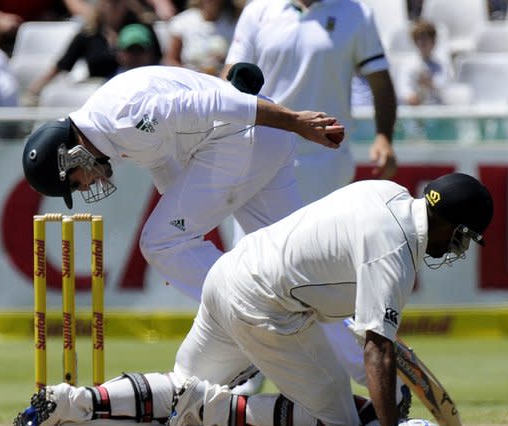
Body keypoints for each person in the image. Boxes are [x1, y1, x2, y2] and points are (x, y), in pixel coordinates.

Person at [13, 172, 493, 426]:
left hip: (230, 274)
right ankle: (212, 407)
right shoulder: (396, 252)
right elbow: (377, 350)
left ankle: (68, 402)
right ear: (450, 223)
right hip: (269, 307)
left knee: (176, 388)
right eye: (462, 237)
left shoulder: (386, 192)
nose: (457, 247)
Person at [21, 64, 344, 302]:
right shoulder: (108, 130)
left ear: (71, 157)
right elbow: (165, 169)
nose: (86, 188)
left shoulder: (122, 119)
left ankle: (251, 307)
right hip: (259, 139)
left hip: (245, 136)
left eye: (75, 184)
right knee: (295, 268)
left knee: (159, 242)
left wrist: (296, 121)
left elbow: (212, 104)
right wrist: (183, 244)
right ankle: (369, 356)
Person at [221, 0, 398, 205]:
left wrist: (384, 137)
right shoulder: (257, 10)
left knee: (325, 237)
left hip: (326, 159)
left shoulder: (356, 13)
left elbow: (380, 81)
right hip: (259, 153)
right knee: (255, 238)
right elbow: (230, 76)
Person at [25, 0, 152, 103]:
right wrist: (35, 89)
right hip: (98, 94)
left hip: (136, 89)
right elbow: (63, 64)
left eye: (117, 1)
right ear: (100, 4)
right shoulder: (88, 34)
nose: (113, 6)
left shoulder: (141, 30)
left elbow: (157, 60)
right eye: (109, 1)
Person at [0, 0, 94, 56]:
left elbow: (75, 4)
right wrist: (0, 19)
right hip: (4, 37)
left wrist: (96, 20)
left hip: (42, 33)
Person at [163, 0, 239, 76]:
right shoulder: (182, 22)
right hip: (190, 80)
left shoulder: (235, 23)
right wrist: (189, 76)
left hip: (223, 80)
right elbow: (171, 59)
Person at [399, 20, 451, 106]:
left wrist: (431, 84)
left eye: (427, 38)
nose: (423, 42)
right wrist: (411, 97)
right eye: (419, 38)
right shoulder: (408, 66)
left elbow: (446, 89)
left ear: (434, 42)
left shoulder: (441, 66)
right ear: (415, 42)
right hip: (415, 112)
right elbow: (403, 89)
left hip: (437, 111)